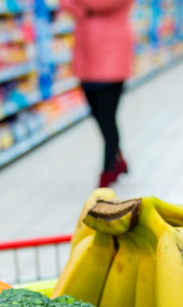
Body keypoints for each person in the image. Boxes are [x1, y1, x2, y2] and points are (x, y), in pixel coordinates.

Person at [61, 0, 134, 187]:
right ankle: (118, 159)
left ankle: (107, 171)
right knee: (96, 114)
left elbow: (98, 4)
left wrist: (83, 7)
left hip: (112, 55)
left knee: (107, 117)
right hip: (86, 56)